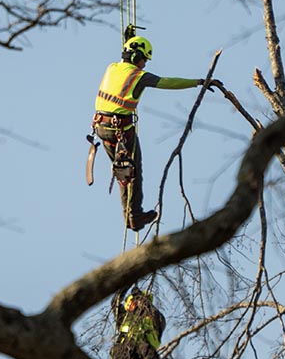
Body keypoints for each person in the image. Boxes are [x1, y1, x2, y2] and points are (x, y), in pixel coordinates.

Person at [91, 35, 219, 230]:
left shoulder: (112, 67)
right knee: (133, 172)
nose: (144, 65)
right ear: (136, 57)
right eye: (144, 60)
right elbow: (167, 82)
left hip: (101, 128)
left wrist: (129, 38)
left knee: (124, 174)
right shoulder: (138, 76)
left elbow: (125, 60)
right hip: (121, 131)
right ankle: (134, 217)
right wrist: (199, 81)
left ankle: (130, 216)